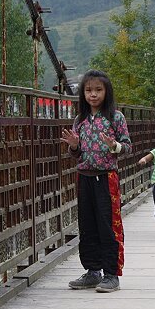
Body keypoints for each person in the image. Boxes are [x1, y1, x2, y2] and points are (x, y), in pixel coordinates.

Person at [61, 69, 132, 293]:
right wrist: (74, 145)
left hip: (106, 178)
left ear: (106, 91)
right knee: (87, 225)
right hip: (84, 178)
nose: (93, 94)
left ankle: (111, 274)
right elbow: (77, 154)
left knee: (108, 225)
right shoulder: (80, 120)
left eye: (98, 90)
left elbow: (127, 147)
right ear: (83, 93)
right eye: (89, 90)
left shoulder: (115, 117)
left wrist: (115, 146)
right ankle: (92, 272)